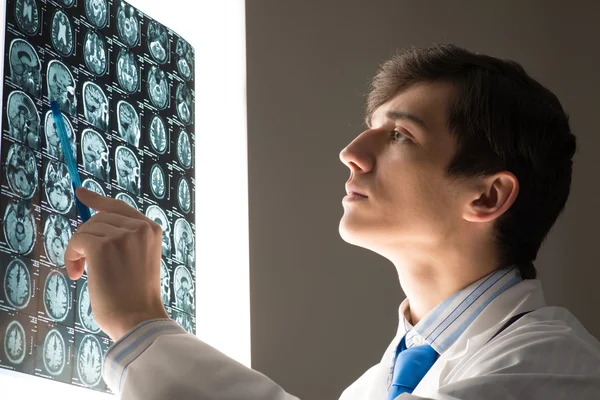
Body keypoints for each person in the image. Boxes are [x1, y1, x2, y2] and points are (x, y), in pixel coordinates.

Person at [64, 44, 600, 400]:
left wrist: (141, 325)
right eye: (371, 129)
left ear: (487, 196)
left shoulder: (555, 367)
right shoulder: (376, 387)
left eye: (399, 136)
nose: (350, 152)